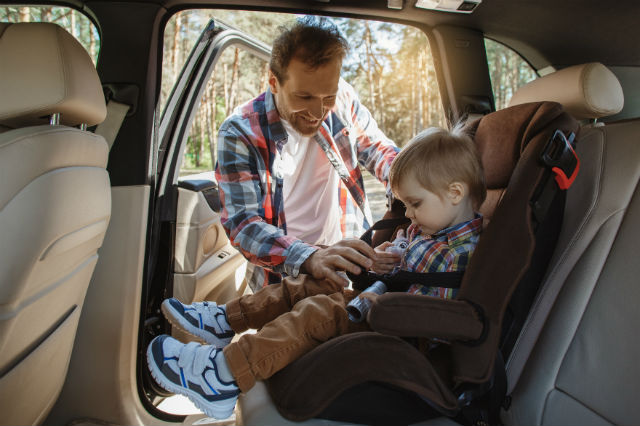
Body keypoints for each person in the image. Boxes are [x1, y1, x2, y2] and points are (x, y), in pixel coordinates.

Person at [146, 125, 487, 419]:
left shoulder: (460, 252)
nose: (408, 214)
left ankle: (223, 375)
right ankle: (227, 320)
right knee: (310, 285)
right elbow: (409, 256)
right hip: (381, 302)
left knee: (318, 313)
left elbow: (431, 312)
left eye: (415, 204)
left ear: (455, 193)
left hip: (405, 330)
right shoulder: (430, 227)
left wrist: (381, 296)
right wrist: (387, 256)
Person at [214, 17, 400, 291]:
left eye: (328, 97)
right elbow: (243, 224)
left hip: (347, 263)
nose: (318, 113)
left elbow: (379, 151)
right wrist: (309, 256)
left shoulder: (344, 99)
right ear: (274, 82)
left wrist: (413, 183)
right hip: (280, 277)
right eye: (304, 97)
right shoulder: (239, 132)